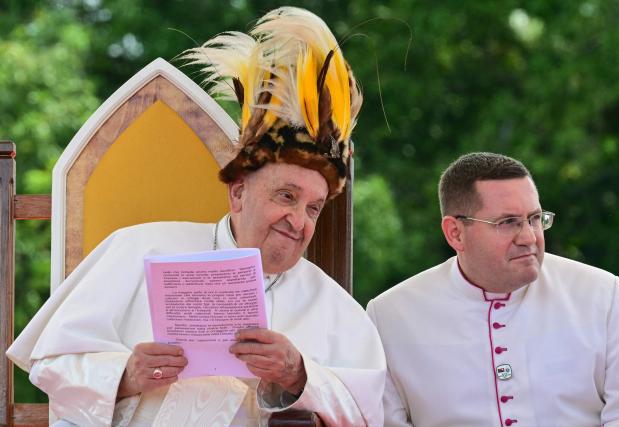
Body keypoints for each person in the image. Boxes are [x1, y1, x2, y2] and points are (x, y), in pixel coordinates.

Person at [7, 7, 385, 427]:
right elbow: (51, 364)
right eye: (286, 196)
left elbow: (368, 411)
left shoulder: (333, 307)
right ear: (238, 192)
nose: (298, 221)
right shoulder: (138, 247)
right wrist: (124, 375)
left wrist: (298, 374)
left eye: (313, 207)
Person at [367, 152, 619, 426]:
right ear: (455, 233)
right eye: (508, 222)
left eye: (535, 218)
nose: (529, 237)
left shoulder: (602, 295)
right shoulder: (390, 316)